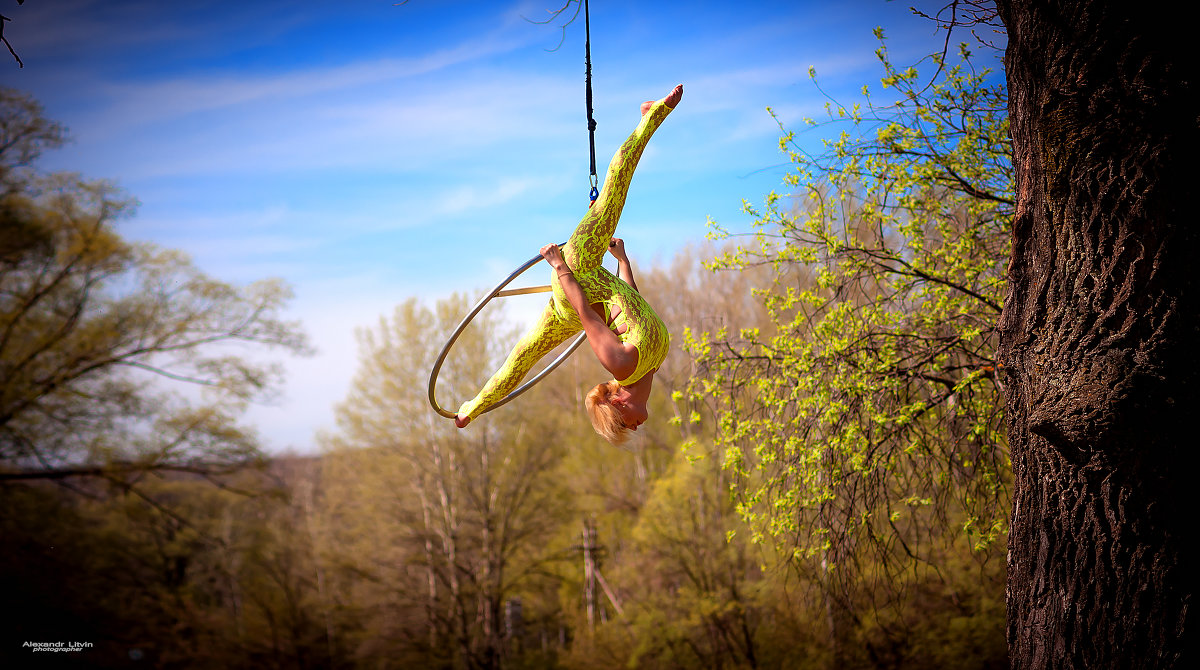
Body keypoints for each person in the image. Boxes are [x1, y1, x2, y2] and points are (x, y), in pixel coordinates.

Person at [454, 84, 683, 444]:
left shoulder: (621, 365)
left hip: (578, 271)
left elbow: (589, 316)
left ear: (616, 404)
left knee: (614, 193)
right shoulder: (653, 362)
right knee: (522, 357)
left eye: (624, 425)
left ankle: (650, 117)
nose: (636, 427)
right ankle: (475, 405)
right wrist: (623, 262)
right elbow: (633, 303)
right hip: (583, 290)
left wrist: (560, 266)